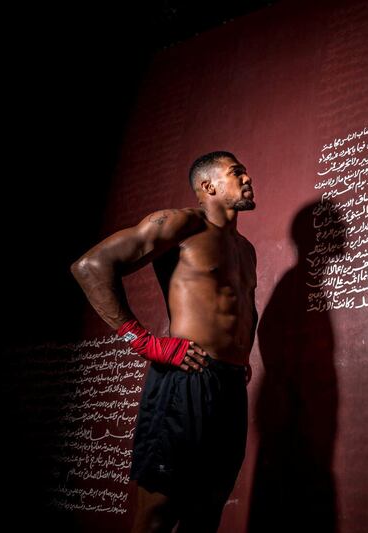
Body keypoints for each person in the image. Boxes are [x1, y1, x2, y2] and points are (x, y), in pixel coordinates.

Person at [70, 151, 259, 532]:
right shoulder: (182, 224)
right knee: (157, 514)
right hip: (187, 378)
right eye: (236, 172)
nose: (248, 177)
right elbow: (90, 266)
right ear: (208, 186)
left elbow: (241, 309)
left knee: (207, 512)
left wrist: (240, 355)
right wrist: (142, 341)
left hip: (229, 386)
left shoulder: (245, 249)